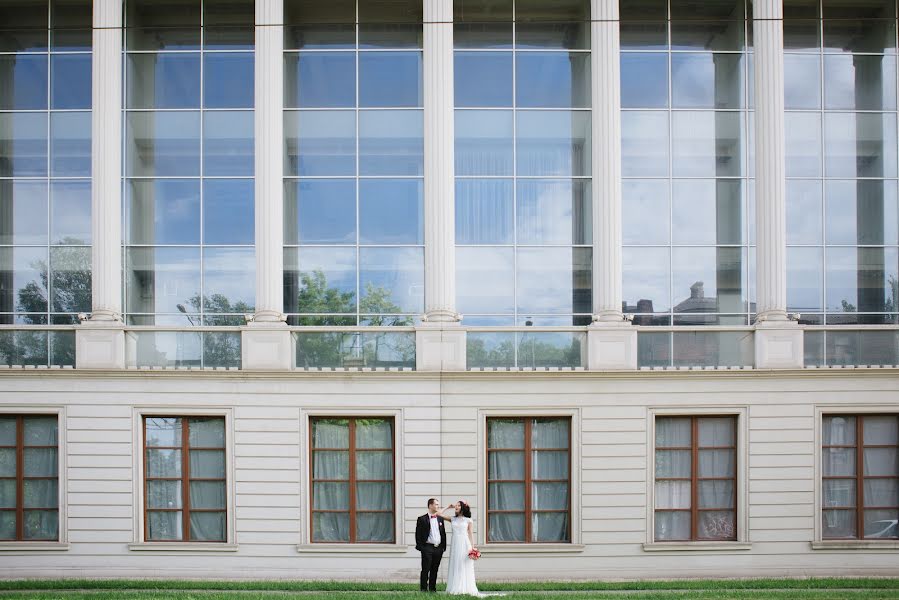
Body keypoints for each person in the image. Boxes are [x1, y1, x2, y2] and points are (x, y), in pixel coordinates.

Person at [441, 500, 479, 596]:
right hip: (455, 544)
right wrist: (448, 506)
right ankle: (455, 586)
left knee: (464, 565)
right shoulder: (452, 519)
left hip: (465, 544)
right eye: (456, 505)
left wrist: (473, 548)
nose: (456, 507)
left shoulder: (468, 520)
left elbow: (470, 534)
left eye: (458, 505)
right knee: (455, 564)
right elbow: (438, 514)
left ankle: (465, 588)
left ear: (463, 507)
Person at [415, 498, 446, 593]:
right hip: (427, 548)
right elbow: (418, 534)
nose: (437, 506)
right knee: (425, 569)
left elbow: (442, 533)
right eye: (436, 504)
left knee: (435, 569)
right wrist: (421, 547)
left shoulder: (440, 518)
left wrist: (443, 547)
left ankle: (432, 589)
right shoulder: (422, 519)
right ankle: (423, 589)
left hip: (438, 548)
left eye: (438, 504)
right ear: (430, 505)